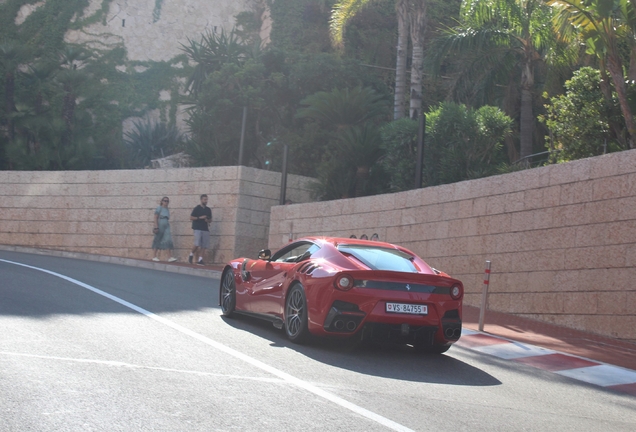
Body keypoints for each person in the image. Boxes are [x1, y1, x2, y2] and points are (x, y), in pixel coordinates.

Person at [189, 194, 212, 266]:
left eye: (206, 199)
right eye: (204, 199)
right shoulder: (197, 208)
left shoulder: (208, 210)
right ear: (201, 200)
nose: (206, 201)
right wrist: (200, 217)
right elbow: (191, 217)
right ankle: (191, 254)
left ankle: (200, 259)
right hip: (197, 228)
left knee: (204, 245)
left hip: (205, 228)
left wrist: (207, 220)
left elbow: (211, 219)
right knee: (197, 244)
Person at [152, 197, 177, 262]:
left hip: (166, 224)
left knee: (168, 239)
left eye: (167, 201)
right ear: (162, 201)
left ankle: (169, 257)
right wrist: (156, 226)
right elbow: (155, 217)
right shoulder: (159, 208)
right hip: (160, 224)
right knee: (157, 239)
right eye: (165, 201)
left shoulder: (167, 209)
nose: (166, 202)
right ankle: (154, 256)